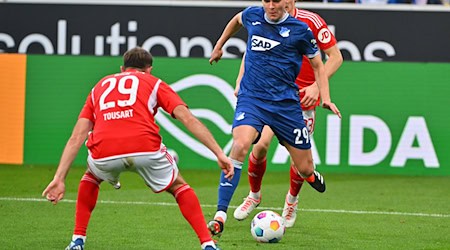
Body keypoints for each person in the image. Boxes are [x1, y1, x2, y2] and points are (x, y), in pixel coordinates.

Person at [42, 47, 233, 250]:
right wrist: (219, 153)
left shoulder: (99, 87)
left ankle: (77, 241)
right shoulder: (154, 82)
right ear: (148, 69)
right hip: (145, 149)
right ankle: (207, 244)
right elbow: (188, 118)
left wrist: (59, 177)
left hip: (104, 152)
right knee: (178, 186)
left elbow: (76, 137)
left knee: (91, 176)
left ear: (122, 68)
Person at [206, 0, 341, 241]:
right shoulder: (253, 15)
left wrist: (324, 95)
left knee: (304, 166)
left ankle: (302, 185)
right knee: (243, 146)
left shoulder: (301, 28)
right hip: (254, 99)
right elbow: (238, 23)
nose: (272, 5)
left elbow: (320, 64)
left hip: (288, 104)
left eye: (276, 0)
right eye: (267, 0)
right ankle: (220, 214)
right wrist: (219, 46)